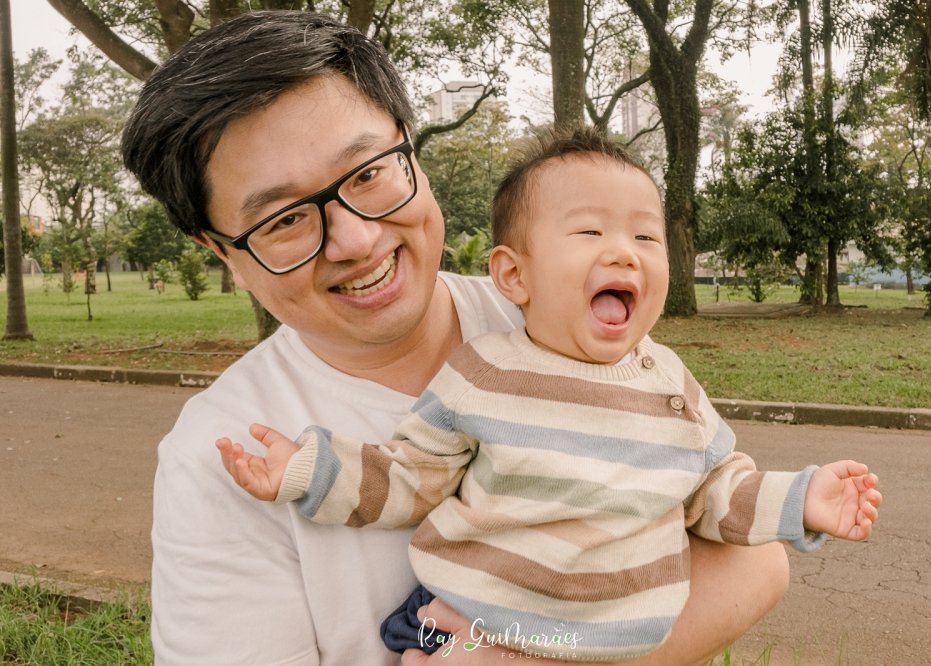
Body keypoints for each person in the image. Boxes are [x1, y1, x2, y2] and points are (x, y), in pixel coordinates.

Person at [121, 9, 801, 666]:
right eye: (286, 219)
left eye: (368, 173)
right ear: (221, 251)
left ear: (411, 149)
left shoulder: (556, 322)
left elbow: (751, 556)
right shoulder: (224, 458)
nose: (356, 240)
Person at [215, 128, 882, 662]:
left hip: (608, 641)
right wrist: (306, 469)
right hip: (473, 623)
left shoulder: (670, 384)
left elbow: (715, 490)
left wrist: (803, 499)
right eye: (590, 233)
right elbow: (410, 477)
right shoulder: (486, 374)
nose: (624, 253)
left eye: (645, 237)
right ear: (514, 275)